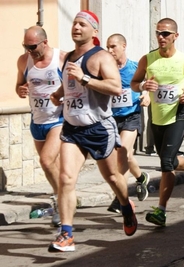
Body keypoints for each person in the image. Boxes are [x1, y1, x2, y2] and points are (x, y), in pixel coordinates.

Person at [48, 10, 137, 252]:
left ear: (94, 31)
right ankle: (66, 234)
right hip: (72, 128)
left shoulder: (101, 57)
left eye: (82, 24)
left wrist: (86, 78)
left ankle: (125, 205)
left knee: (112, 178)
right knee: (66, 178)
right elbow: (69, 85)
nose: (76, 27)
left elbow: (116, 87)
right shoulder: (68, 58)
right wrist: (57, 95)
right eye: (75, 23)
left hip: (99, 128)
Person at [130, 18, 184, 227]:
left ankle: (161, 211)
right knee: (169, 160)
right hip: (157, 118)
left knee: (165, 163)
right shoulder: (148, 60)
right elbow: (134, 83)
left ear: (175, 36)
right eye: (158, 33)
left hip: (177, 116)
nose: (161, 37)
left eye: (165, 34)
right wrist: (144, 85)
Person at [15, 25, 66, 227]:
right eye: (25, 46)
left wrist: (63, 98)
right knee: (50, 166)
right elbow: (19, 85)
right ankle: (64, 196)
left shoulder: (61, 58)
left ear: (45, 42)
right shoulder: (24, 60)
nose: (29, 50)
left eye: (33, 46)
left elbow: (75, 87)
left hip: (58, 120)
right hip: (37, 121)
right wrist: (20, 90)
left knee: (46, 161)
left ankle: (61, 203)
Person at [105, 33, 151, 213]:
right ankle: (141, 178)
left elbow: (147, 84)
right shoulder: (106, 69)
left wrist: (146, 95)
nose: (110, 50)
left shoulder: (134, 67)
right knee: (127, 156)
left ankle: (119, 198)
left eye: (113, 46)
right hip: (112, 118)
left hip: (132, 115)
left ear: (123, 46)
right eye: (107, 47)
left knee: (122, 153)